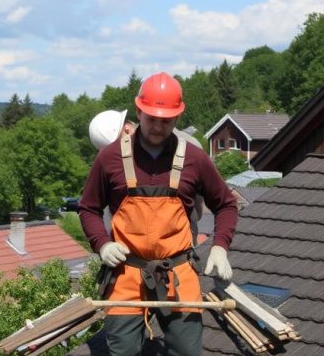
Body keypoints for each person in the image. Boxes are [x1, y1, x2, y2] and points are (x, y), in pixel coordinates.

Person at [79, 72, 238, 356]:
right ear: (138, 110)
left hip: (177, 271)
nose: (157, 127)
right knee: (123, 351)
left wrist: (220, 247)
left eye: (166, 121)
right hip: (127, 272)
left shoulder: (194, 158)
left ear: (177, 118)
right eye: (151, 118)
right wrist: (102, 244)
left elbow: (226, 204)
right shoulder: (110, 158)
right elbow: (88, 208)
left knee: (187, 351)